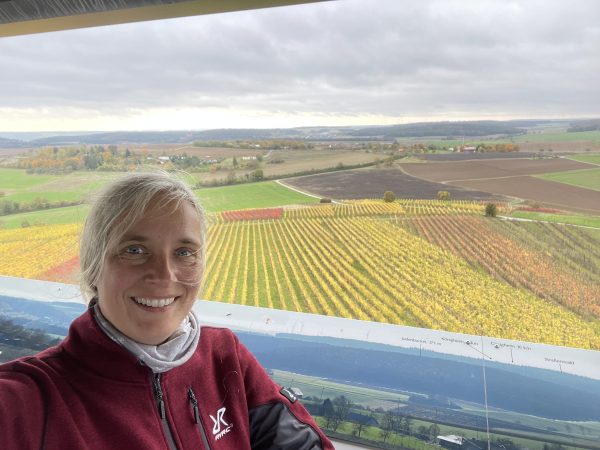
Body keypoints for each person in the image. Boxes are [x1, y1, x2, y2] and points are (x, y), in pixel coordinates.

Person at [0, 172, 334, 450]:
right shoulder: (33, 397)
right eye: (134, 249)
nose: (164, 275)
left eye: (184, 252)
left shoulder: (225, 357)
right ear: (93, 267)